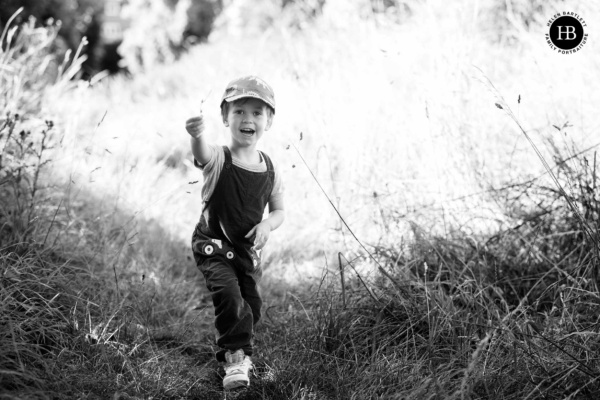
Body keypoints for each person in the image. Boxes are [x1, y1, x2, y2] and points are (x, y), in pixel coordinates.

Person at [185, 76, 285, 390]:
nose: (247, 119)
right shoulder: (218, 158)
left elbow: (279, 211)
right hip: (213, 247)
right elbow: (201, 153)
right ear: (225, 116)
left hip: (247, 253)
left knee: (251, 307)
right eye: (239, 111)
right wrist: (196, 136)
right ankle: (235, 361)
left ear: (268, 121)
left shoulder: (270, 168)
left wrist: (267, 225)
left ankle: (241, 346)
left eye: (257, 112)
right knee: (229, 295)